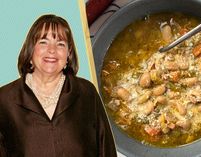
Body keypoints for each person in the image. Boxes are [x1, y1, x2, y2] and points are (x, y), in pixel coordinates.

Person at [0, 14, 117, 157]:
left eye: (60, 44)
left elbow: (106, 150)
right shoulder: (4, 99)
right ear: (31, 50)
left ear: (68, 54)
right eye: (43, 42)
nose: (52, 50)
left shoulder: (86, 92)